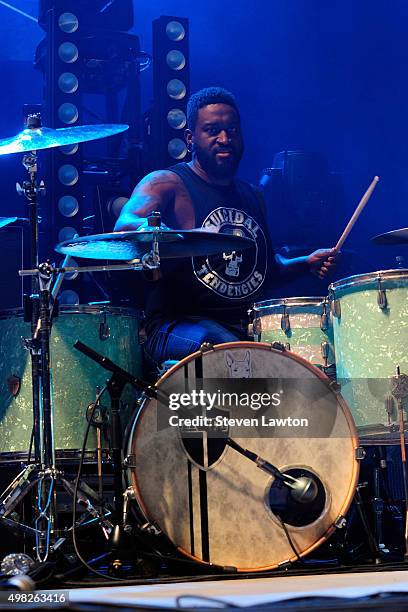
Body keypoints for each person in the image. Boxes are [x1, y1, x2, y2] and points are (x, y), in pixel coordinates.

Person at [114, 87, 336, 372]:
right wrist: (159, 232)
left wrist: (305, 263)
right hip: (177, 326)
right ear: (190, 138)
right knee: (232, 351)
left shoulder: (252, 195)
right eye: (212, 130)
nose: (224, 139)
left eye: (232, 130)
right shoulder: (167, 182)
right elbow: (126, 222)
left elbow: (265, 271)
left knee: (314, 357)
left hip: (246, 325)